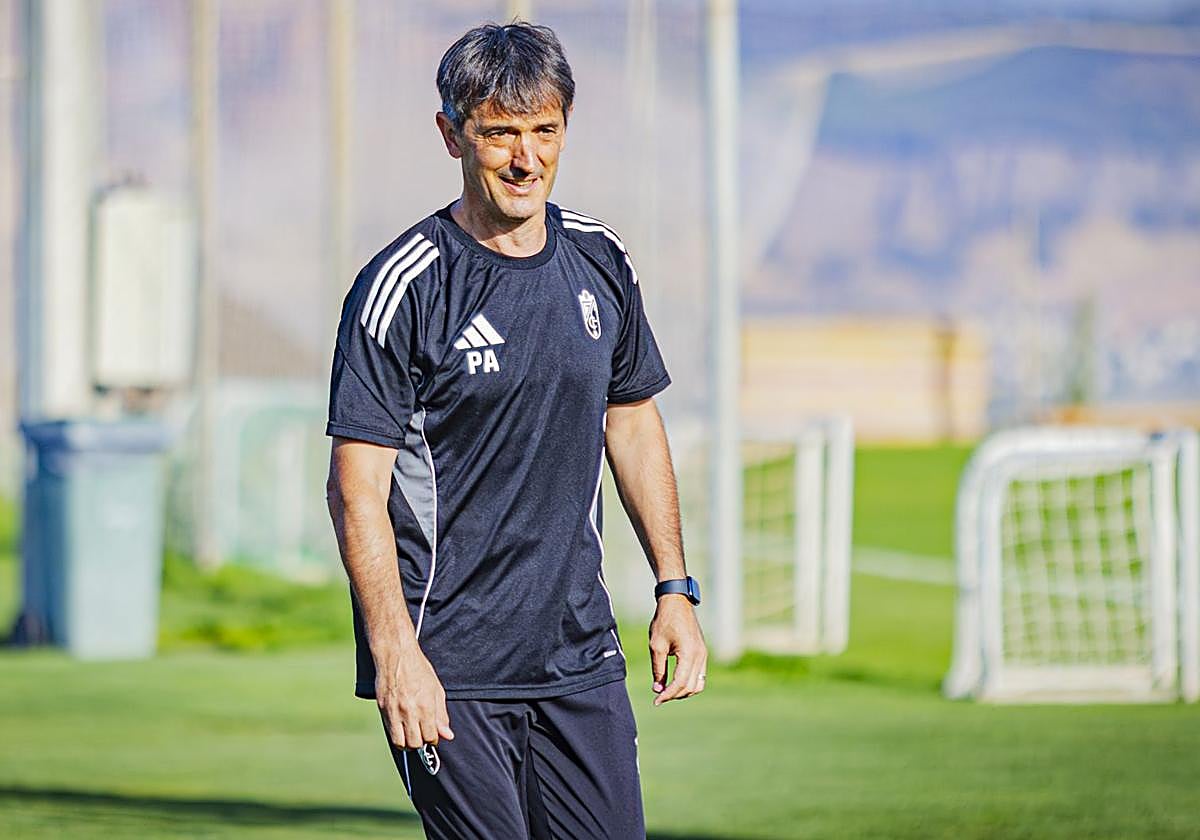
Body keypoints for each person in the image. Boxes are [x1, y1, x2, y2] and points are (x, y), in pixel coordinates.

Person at [324, 21, 706, 839]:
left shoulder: (601, 259)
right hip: (449, 667)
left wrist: (674, 587)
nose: (525, 158)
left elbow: (632, 421)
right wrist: (396, 654)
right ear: (452, 134)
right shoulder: (403, 287)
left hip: (579, 659)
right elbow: (357, 492)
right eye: (499, 133)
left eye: (544, 131)